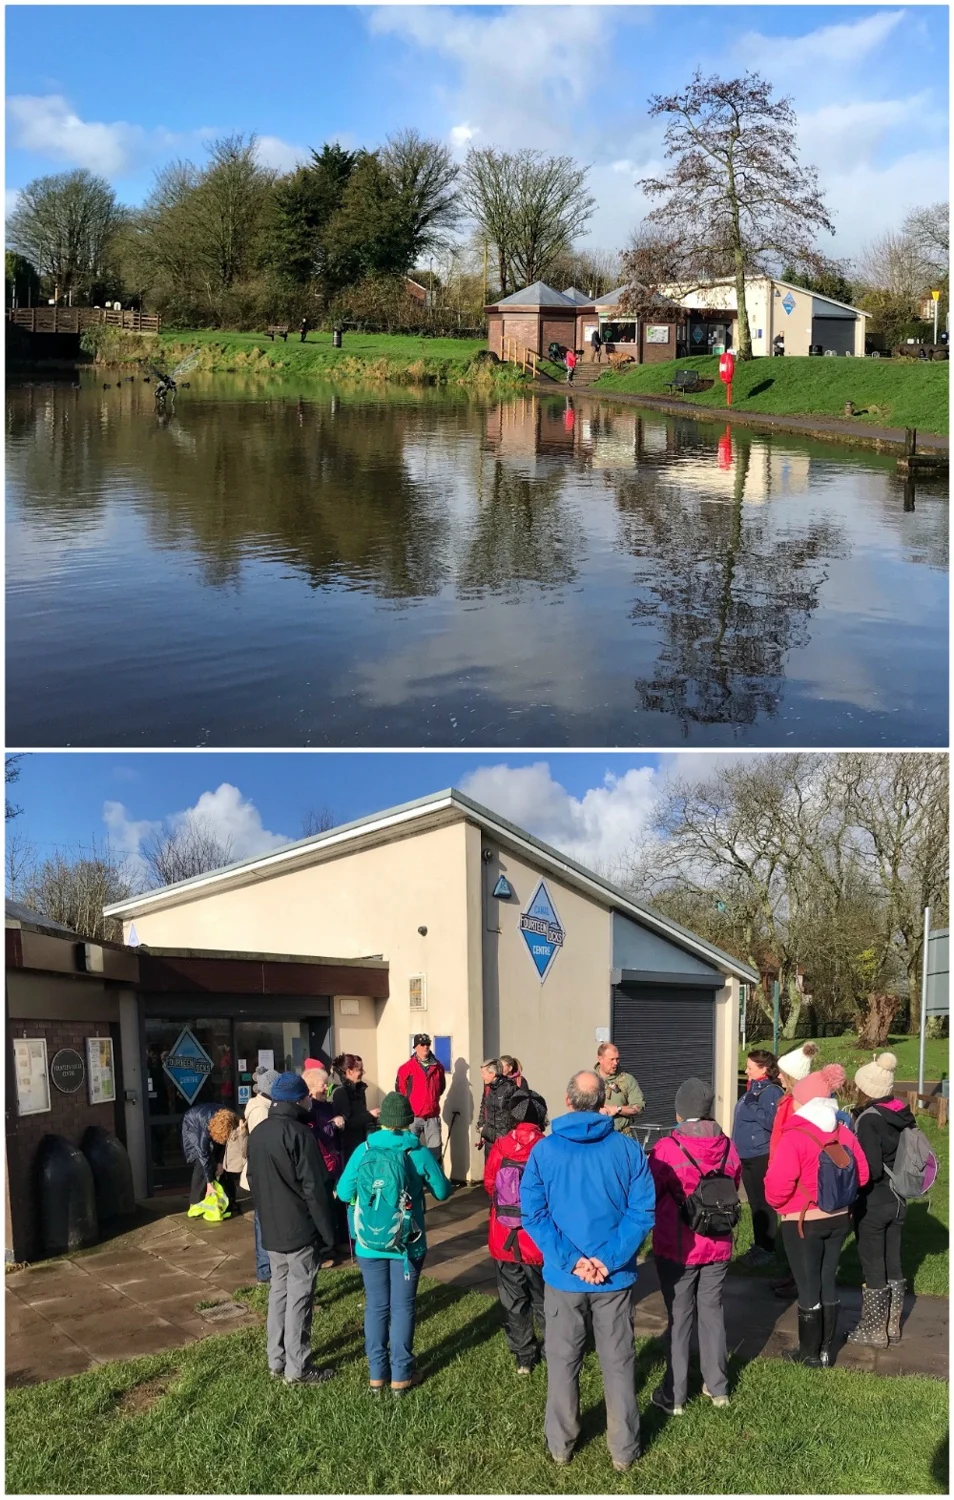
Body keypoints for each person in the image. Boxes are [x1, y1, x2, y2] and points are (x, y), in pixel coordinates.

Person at [521, 1070, 655, 1473]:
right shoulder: (628, 1150)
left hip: (567, 1277)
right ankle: (623, 1450)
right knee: (618, 1361)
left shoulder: (544, 1152)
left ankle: (561, 1444)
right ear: (603, 1104)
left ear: (567, 1100)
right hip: (608, 1277)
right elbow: (641, 1211)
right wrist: (607, 1259)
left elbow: (533, 1214)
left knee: (563, 1361)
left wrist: (573, 1260)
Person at [336, 1090, 452, 1395]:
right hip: (407, 1245)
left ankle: (377, 1375)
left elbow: (344, 1192)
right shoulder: (417, 1152)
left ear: (384, 1121)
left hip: (367, 1243)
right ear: (408, 1120)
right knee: (402, 1307)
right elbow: (442, 1192)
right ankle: (401, 1374)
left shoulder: (364, 1150)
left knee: (376, 1306)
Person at [764, 1064, 869, 1367]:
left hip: (802, 1222)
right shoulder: (844, 1132)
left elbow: (776, 1189)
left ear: (806, 1102)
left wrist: (783, 1204)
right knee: (827, 1279)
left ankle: (809, 1353)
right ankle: (826, 1349)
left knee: (808, 1284)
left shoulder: (794, 1137)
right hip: (839, 1218)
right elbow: (861, 1175)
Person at [649, 1079, 742, 1415]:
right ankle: (717, 1388)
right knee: (712, 1313)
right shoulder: (729, 1147)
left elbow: (652, 1193)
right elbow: (732, 1186)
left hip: (678, 1247)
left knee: (679, 1317)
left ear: (679, 1111)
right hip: (718, 1244)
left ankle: (674, 1396)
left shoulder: (666, 1148)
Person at [246, 1071, 337, 1384]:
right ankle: (297, 1369)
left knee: (279, 1293)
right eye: (306, 1097)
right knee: (299, 1297)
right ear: (299, 1099)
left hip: (271, 1229)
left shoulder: (258, 1132)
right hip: (298, 1230)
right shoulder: (300, 1134)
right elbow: (315, 1188)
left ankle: (277, 1361)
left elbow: (253, 1181)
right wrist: (328, 1233)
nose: (310, 1100)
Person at [847, 1051, 914, 1348]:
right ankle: (893, 1326)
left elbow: (870, 1170)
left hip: (874, 1201)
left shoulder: (869, 1120)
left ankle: (874, 1331)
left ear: (866, 1088)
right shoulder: (902, 1113)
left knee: (873, 1262)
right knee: (892, 1260)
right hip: (899, 1197)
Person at [484, 1105, 547, 1375]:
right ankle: (553, 1350)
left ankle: (524, 1357)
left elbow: (490, 1184)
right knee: (545, 1298)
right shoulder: (546, 1147)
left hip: (504, 1236)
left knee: (513, 1298)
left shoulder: (500, 1146)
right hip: (538, 1239)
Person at [768, 1042, 820, 1297]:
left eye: (781, 1072)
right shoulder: (787, 1100)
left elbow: (790, 1141)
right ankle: (793, 1275)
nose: (777, 1076)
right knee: (792, 1232)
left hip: (793, 1176)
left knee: (796, 1231)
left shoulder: (795, 1105)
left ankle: (800, 1281)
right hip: (783, 1171)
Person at [733, 1050, 784, 1269]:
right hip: (746, 1153)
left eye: (750, 1066)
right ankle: (760, 1245)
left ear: (763, 1068)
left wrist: (753, 1104)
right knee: (754, 1204)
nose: (746, 1070)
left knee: (764, 1203)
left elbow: (772, 1121)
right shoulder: (752, 1089)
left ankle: (768, 1249)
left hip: (760, 1154)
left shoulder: (770, 1091)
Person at [241, 1067, 277, 1282]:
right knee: (263, 1220)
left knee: (265, 1219)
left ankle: (267, 1266)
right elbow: (263, 1143)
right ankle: (265, 1269)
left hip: (263, 1172)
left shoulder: (264, 1105)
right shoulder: (260, 1110)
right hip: (262, 1173)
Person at [396, 1033, 446, 1162]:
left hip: (432, 1116)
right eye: (422, 1044)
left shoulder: (438, 1067)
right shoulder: (405, 1068)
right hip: (413, 1117)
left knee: (435, 1153)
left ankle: (434, 1181)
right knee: (408, 1151)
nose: (425, 1047)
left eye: (428, 1044)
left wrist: (432, 1101)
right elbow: (400, 1091)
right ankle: (411, 1180)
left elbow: (440, 1088)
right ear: (415, 1047)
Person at [181, 1103, 239, 1210]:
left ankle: (228, 1199)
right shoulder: (204, 1130)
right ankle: (195, 1203)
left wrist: (221, 1162)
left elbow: (227, 1145)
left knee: (224, 1165)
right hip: (193, 1123)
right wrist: (209, 1182)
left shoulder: (233, 1121)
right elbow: (204, 1155)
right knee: (201, 1163)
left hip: (218, 1124)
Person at [331, 1053, 381, 1163]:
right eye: (360, 1069)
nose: (363, 1072)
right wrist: (370, 1115)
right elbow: (347, 1123)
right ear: (349, 1072)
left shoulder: (357, 1088)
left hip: (359, 1141)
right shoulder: (340, 1092)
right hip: (347, 1148)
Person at [595, 1042, 645, 1137]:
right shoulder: (590, 1080)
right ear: (600, 1059)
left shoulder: (627, 1080)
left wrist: (618, 1109)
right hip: (596, 1136)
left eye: (617, 1059)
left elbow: (639, 1108)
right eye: (612, 1059)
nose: (615, 1063)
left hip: (621, 1136)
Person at [476, 1058, 518, 1151]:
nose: (481, 1076)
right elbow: (484, 1107)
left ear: (492, 1074)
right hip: (489, 1139)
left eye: (483, 1073)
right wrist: (481, 1128)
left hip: (505, 1140)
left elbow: (517, 1113)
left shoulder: (510, 1088)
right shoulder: (488, 1088)